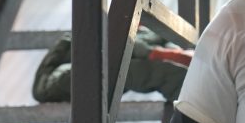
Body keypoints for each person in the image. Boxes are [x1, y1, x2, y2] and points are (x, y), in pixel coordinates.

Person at [32, 26, 192, 103]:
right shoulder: (92, 31)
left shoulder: (149, 33)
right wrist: (156, 53)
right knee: (123, 52)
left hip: (108, 77)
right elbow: (106, 44)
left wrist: (172, 53)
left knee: (166, 69)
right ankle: (188, 106)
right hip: (59, 79)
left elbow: (173, 48)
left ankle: (188, 103)